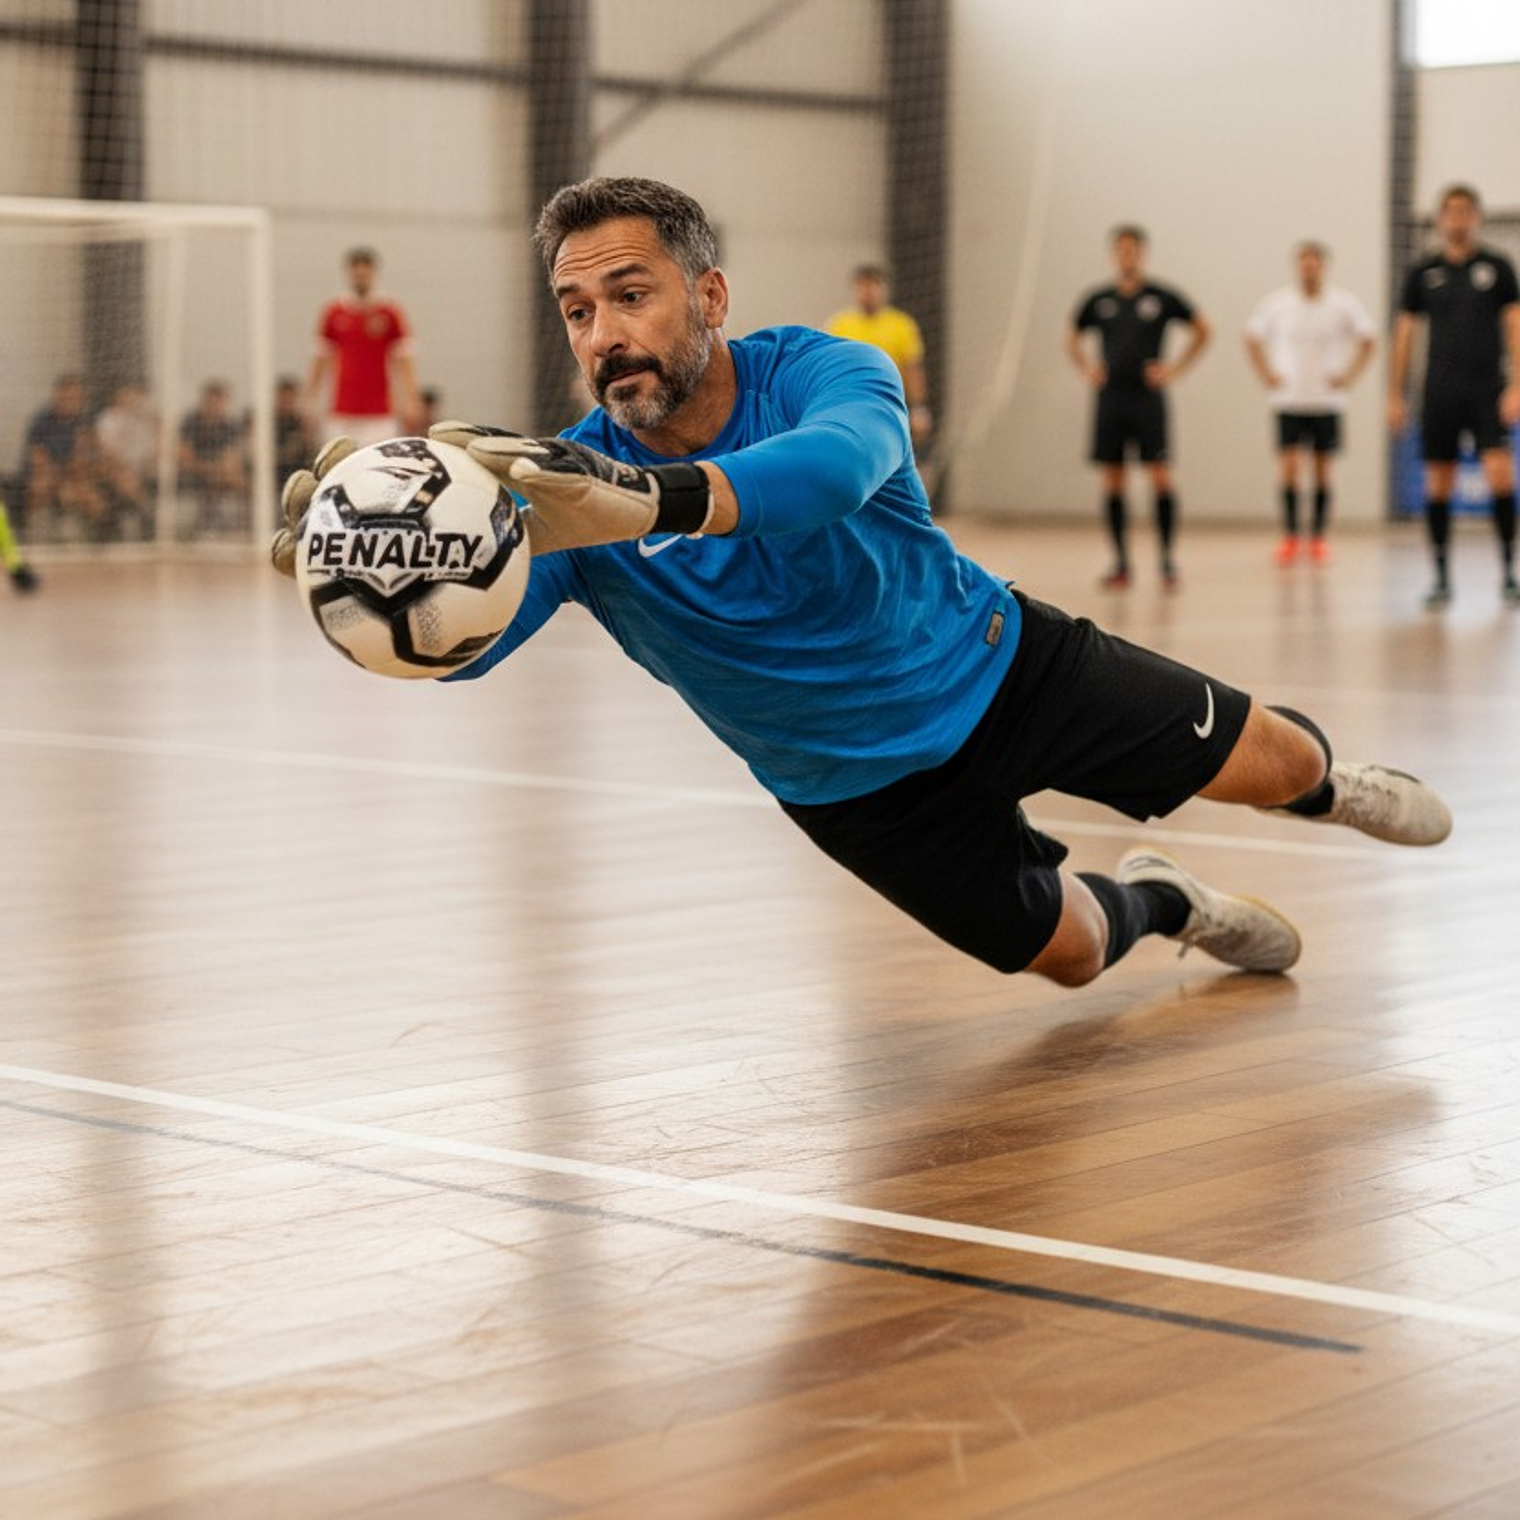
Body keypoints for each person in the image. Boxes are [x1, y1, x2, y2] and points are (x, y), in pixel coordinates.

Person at [274, 176, 1451, 989]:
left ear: (709, 297)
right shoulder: (565, 493)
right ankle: (1169, 900)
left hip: (1002, 669)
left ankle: (1330, 786)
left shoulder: (822, 372)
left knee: (1277, 764)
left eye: (630, 294)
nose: (601, 334)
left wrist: (651, 499)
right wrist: (370, 585)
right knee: (1074, 953)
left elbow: (831, 472)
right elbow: (468, 642)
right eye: (577, 310)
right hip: (852, 793)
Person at [1390, 184, 1520, 609]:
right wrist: (1395, 394)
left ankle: (1508, 573)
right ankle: (1441, 577)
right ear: (1440, 219)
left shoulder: (1497, 268)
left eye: (1465, 210)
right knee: (1439, 482)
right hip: (1440, 390)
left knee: (1500, 474)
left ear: (1477, 217)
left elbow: (1515, 325)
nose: (1458, 218)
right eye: (1450, 211)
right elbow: (1404, 334)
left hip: (1487, 389)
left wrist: (1517, 384)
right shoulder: (1424, 271)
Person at [1066, 225, 1210, 590]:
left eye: (1133, 249)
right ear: (1113, 254)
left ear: (1142, 253)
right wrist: (1086, 368)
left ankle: (1166, 560)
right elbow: (1072, 333)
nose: (1127, 255)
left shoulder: (1160, 297)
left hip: (1148, 399)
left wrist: (1175, 369)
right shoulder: (1099, 299)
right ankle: (1121, 563)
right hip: (1111, 398)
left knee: (1159, 475)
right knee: (1113, 479)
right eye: (1121, 249)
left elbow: (1203, 329)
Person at [1244, 242, 1376, 565]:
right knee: (1289, 468)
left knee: (1322, 469)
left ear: (1323, 267)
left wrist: (1350, 375)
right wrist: (1266, 373)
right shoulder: (1278, 303)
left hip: (1326, 400)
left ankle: (1318, 536)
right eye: (1304, 264)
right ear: (1297, 267)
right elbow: (1251, 336)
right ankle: (1291, 535)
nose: (1309, 269)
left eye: (1314, 264)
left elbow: (1369, 339)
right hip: (1289, 399)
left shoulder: (1343, 304)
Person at [303, 246, 420, 448]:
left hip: (380, 413)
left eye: (365, 274)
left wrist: (411, 399)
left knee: (379, 464)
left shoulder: (389, 312)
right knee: (339, 462)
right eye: (356, 274)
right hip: (342, 410)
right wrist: (310, 399)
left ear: (373, 274)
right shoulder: (334, 312)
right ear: (349, 274)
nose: (360, 279)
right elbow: (320, 359)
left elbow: (404, 360)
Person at [825, 264, 933, 454]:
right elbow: (829, 368)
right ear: (855, 289)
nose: (869, 292)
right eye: (863, 286)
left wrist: (918, 408)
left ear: (884, 289)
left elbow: (913, 369)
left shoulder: (901, 324)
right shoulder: (840, 324)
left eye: (874, 285)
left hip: (889, 402)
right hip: (851, 403)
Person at [21, 373, 108, 538]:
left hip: (72, 474)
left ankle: (96, 537)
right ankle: (32, 534)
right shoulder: (41, 419)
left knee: (93, 498)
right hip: (46, 473)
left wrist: (85, 458)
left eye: (77, 397)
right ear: (58, 395)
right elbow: (38, 458)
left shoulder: (82, 421)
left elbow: (91, 455)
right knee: (43, 486)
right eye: (69, 396)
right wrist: (62, 480)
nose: (73, 401)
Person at [178, 379, 248, 532]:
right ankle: (205, 525)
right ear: (204, 402)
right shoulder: (191, 423)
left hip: (219, 474)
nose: (215, 407)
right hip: (193, 473)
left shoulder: (229, 426)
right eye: (212, 402)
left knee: (239, 480)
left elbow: (231, 460)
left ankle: (242, 527)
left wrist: (216, 469)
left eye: (219, 403)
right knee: (219, 478)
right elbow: (185, 458)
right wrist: (211, 468)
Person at [95, 380, 160, 536]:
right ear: (117, 396)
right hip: (118, 468)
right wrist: (125, 467)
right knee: (125, 479)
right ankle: (148, 516)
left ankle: (145, 518)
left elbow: (155, 445)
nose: (129, 397)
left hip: (143, 467)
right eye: (125, 393)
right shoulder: (108, 418)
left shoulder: (144, 418)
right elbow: (106, 451)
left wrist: (149, 461)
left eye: (132, 393)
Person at [274, 375, 317, 482]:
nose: (287, 403)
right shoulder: (269, 423)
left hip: (298, 473)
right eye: (284, 398)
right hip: (276, 472)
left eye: (290, 398)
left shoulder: (298, 422)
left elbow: (309, 450)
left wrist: (309, 433)